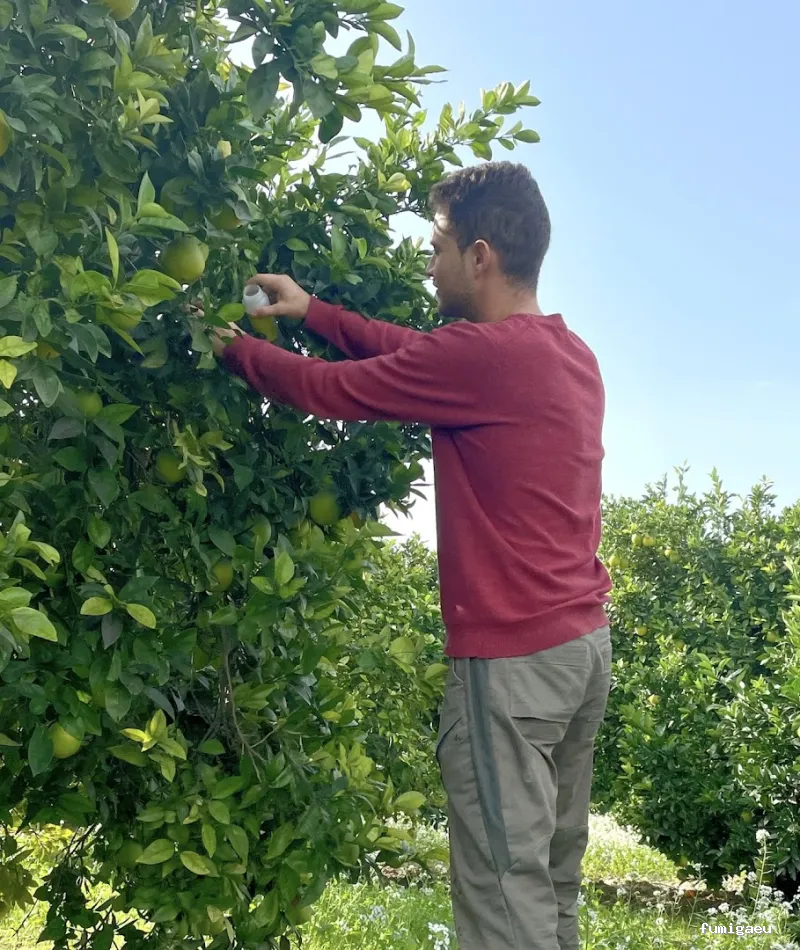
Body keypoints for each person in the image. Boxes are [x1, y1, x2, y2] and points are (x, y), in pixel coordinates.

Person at [211, 161, 613, 950]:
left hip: (513, 667)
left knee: (505, 904)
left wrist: (228, 346)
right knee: (549, 889)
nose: (427, 263)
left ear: (481, 257)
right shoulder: (566, 354)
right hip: (578, 651)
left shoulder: (481, 360)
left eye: (438, 245)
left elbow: (328, 391)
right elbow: (415, 353)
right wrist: (315, 310)